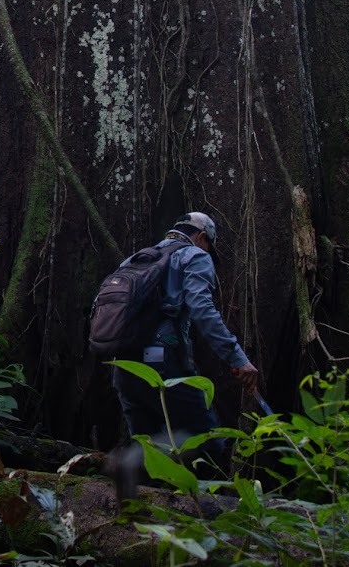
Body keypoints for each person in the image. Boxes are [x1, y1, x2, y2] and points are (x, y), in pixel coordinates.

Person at [109, 211, 260, 496]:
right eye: (208, 247)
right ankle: (128, 462)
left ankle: (141, 527)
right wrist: (237, 358)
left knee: (150, 446)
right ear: (201, 237)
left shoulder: (136, 259)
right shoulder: (193, 256)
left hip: (122, 366)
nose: (208, 254)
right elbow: (203, 310)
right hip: (162, 364)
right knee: (208, 439)